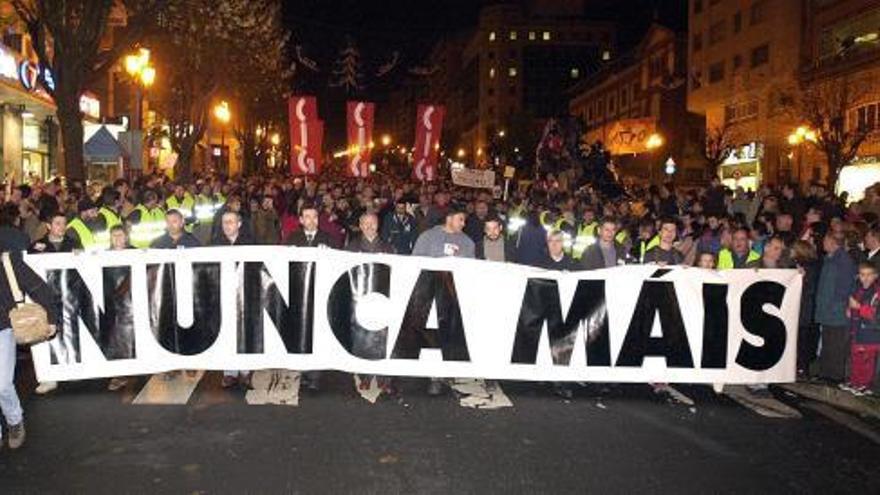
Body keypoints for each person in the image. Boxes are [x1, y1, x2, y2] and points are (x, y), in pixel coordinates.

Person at [412, 205, 475, 396]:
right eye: (460, 219)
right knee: (430, 336)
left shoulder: (468, 243)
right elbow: (414, 263)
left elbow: (471, 270)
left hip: (453, 298)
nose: (464, 224)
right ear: (449, 218)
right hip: (429, 297)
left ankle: (445, 372)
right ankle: (434, 377)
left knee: (449, 336)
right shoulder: (428, 237)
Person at [0, 250, 59, 450]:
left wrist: (51, 317)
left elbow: (40, 288)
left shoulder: (7, 262)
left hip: (3, 329)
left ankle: (14, 420)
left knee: (1, 384)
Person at [286, 202, 338, 392]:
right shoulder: (292, 238)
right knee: (301, 333)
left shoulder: (329, 239)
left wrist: (330, 256)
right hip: (299, 294)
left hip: (320, 293)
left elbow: (339, 264)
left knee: (317, 333)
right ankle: (305, 369)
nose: (311, 220)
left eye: (314, 217)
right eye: (307, 217)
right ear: (300, 220)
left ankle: (315, 375)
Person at [212, 210, 254, 388]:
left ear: (239, 224)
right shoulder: (215, 245)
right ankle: (229, 373)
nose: (227, 225)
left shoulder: (250, 244)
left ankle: (245, 372)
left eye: (231, 222)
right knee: (227, 333)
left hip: (245, 294)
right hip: (223, 295)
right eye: (224, 222)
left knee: (244, 332)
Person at [815, 233, 857, 383]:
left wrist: (839, 305)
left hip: (836, 309)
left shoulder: (843, 261)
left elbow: (844, 287)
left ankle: (835, 375)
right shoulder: (830, 258)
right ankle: (826, 371)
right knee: (827, 341)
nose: (823, 242)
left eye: (825, 240)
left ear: (833, 242)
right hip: (828, 308)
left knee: (836, 343)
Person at [845, 262, 880, 395]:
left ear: (875, 276)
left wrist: (859, 308)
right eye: (862, 275)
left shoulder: (877, 293)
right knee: (856, 358)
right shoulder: (858, 289)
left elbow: (875, 314)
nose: (865, 278)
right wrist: (849, 309)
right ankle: (856, 382)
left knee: (866, 361)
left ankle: (865, 384)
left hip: (870, 333)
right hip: (857, 331)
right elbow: (854, 305)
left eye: (869, 275)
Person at [791, 240, 820, 377]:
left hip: (804, 309)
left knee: (803, 340)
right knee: (802, 339)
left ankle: (802, 367)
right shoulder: (813, 264)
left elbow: (809, 288)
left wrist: (803, 278)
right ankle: (801, 366)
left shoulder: (809, 267)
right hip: (805, 308)